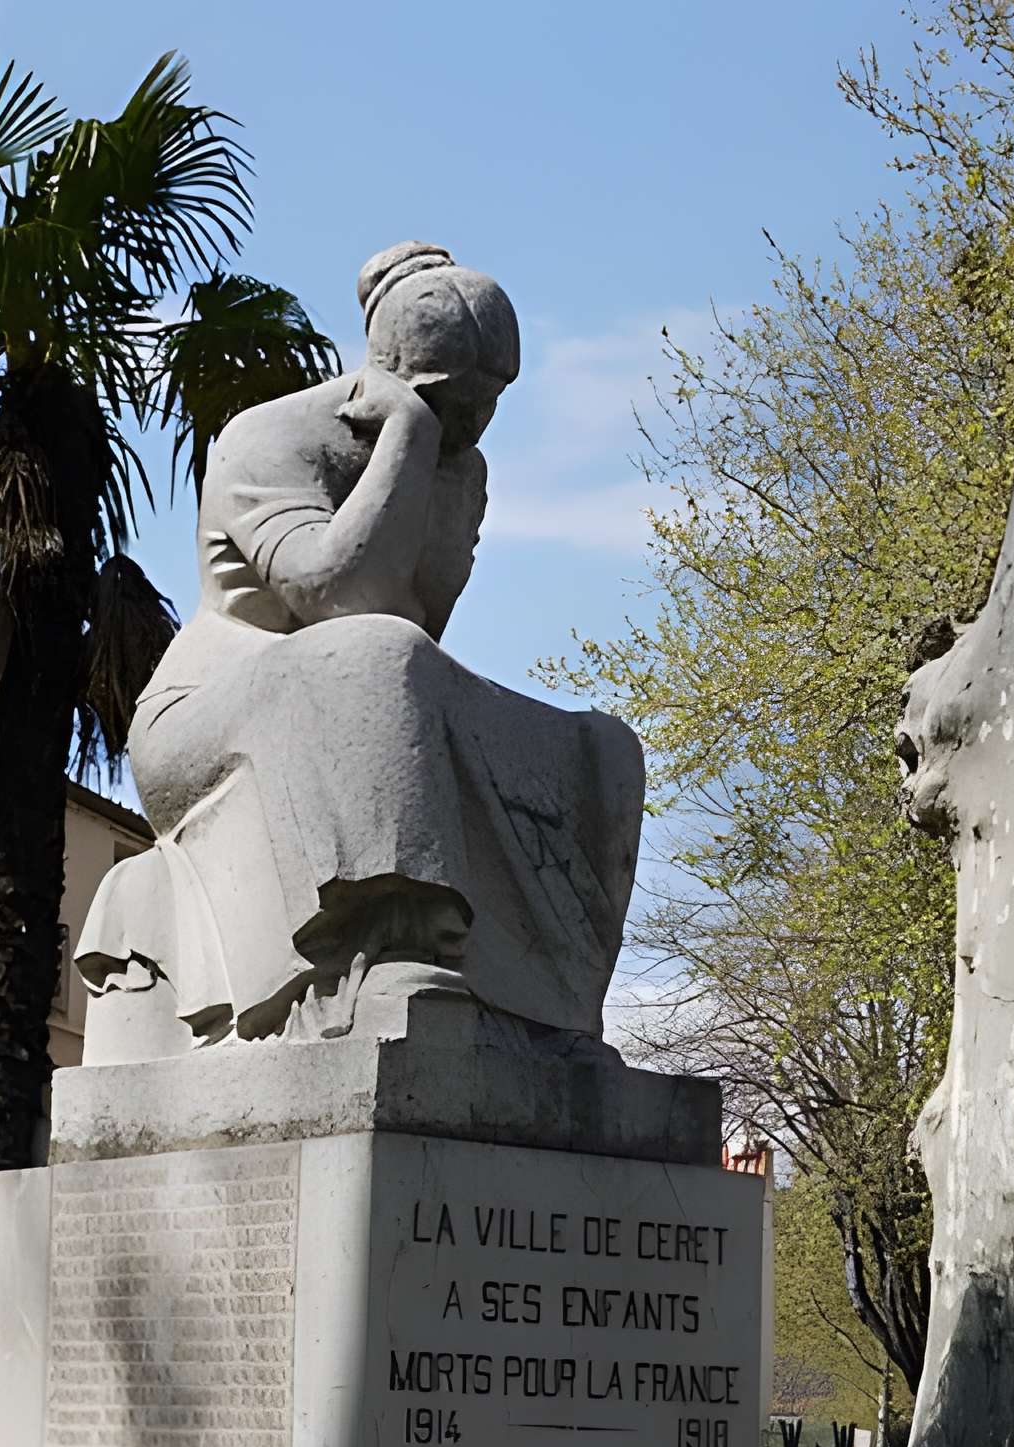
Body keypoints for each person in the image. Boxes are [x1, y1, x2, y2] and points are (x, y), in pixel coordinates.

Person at [75, 242, 643, 1054]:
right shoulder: (265, 439)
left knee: (600, 750)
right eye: (450, 399)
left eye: (492, 401)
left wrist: (432, 452)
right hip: (209, 715)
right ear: (390, 373)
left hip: (373, 687)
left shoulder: (464, 471)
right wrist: (406, 436)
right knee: (372, 652)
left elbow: (421, 631)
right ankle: (394, 948)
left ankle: (553, 1013)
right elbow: (343, 600)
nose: (473, 424)